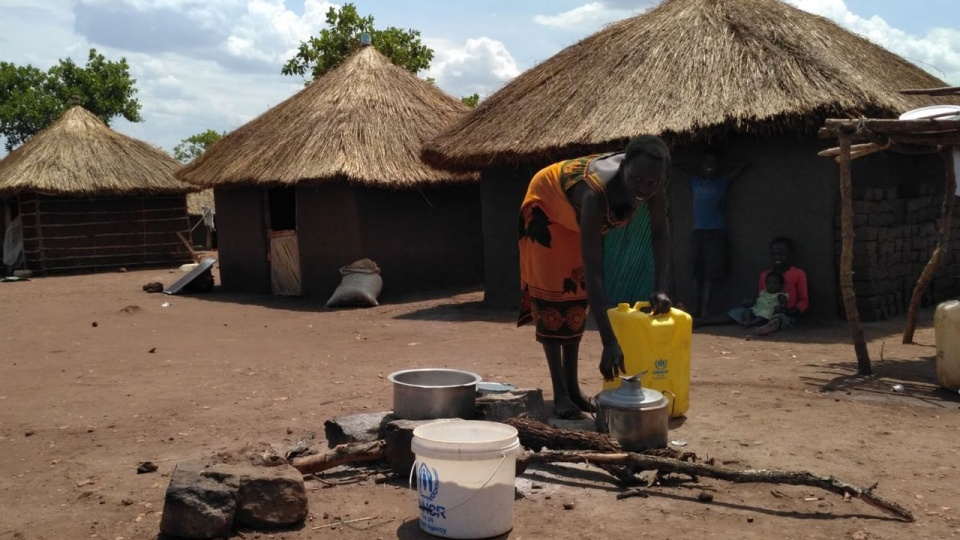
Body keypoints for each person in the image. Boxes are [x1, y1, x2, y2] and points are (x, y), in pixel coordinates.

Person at [517, 135, 673, 420]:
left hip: (575, 219)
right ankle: (561, 393)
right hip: (546, 209)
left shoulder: (652, 181)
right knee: (554, 300)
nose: (644, 188)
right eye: (636, 179)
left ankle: (573, 389)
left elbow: (660, 230)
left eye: (652, 182)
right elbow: (593, 270)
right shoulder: (595, 193)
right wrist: (609, 341)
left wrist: (660, 288)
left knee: (575, 300)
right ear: (623, 166)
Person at [679, 152, 746, 318]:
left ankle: (705, 309)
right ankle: (696, 307)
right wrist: (694, 164)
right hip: (698, 231)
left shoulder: (722, 182)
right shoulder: (695, 181)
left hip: (716, 231)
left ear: (718, 166)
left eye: (713, 163)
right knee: (697, 272)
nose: (709, 166)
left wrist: (726, 163)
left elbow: (744, 165)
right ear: (701, 165)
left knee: (710, 273)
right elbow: (676, 167)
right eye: (706, 163)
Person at [699, 237, 809, 330]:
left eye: (782, 254)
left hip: (785, 313)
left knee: (779, 319)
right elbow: (762, 296)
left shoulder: (798, 274)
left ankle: (767, 328)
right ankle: (702, 322)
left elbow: (804, 300)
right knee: (736, 312)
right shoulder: (765, 275)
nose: (778, 257)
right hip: (761, 311)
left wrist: (793, 310)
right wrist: (751, 302)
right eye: (775, 254)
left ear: (791, 254)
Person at [732, 271, 789, 339]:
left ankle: (751, 323)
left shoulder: (780, 295)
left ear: (781, 286)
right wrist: (750, 302)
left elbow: (784, 306)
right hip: (757, 309)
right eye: (768, 283)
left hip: (768, 313)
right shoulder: (763, 292)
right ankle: (748, 321)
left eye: (775, 284)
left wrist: (780, 308)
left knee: (762, 317)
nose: (771, 286)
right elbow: (758, 299)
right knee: (747, 311)